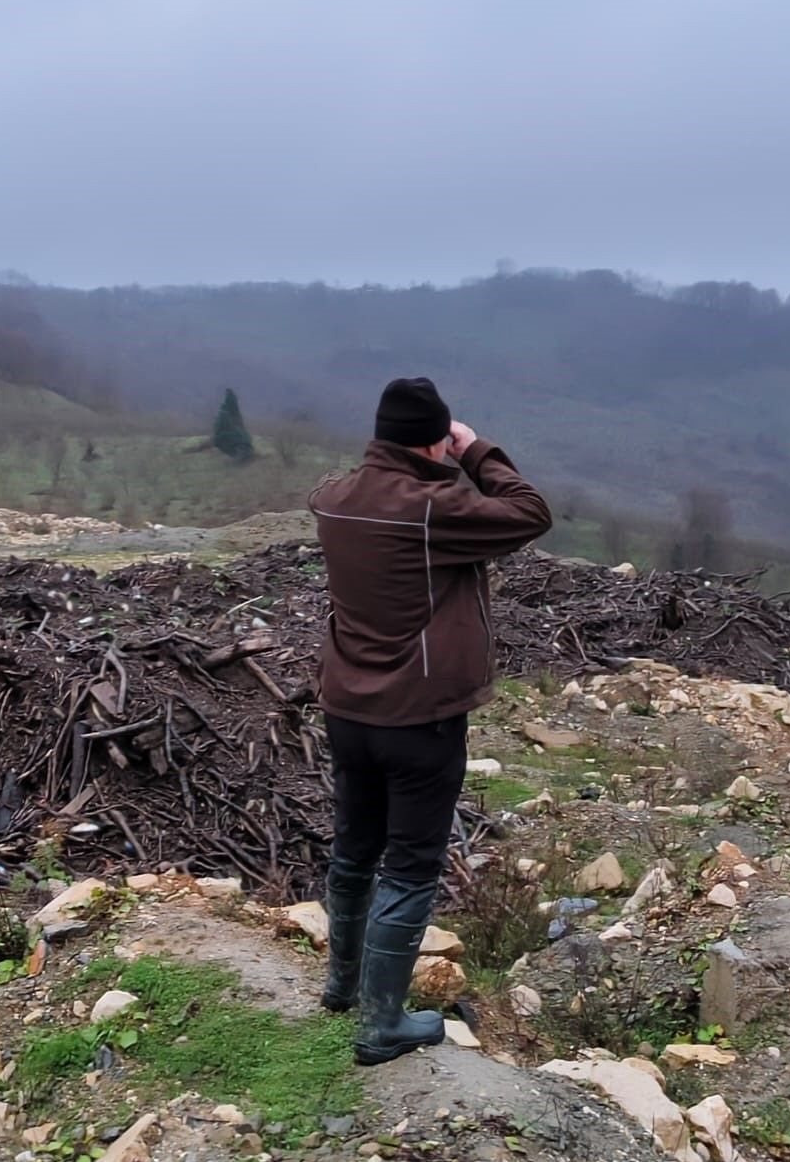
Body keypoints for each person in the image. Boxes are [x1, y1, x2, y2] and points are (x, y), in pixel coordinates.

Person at [308, 377, 552, 1065]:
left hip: (347, 710)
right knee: (410, 867)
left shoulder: (334, 498)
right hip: (418, 718)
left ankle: (341, 986)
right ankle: (381, 1024)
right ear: (433, 439)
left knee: (354, 849)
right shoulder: (430, 508)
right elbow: (528, 511)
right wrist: (476, 451)